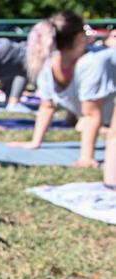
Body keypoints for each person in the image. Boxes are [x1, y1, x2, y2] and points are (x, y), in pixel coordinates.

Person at [9, 11, 116, 170]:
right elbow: (47, 106)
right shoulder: (48, 66)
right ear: (80, 36)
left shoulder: (93, 63)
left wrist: (86, 158)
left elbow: (91, 114)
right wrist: (35, 142)